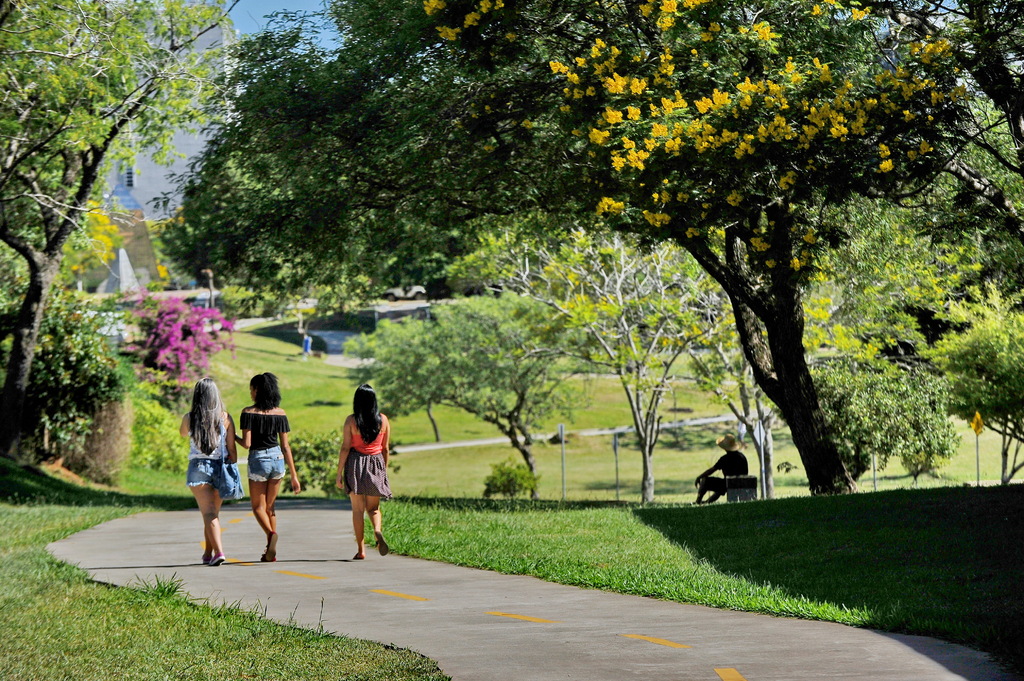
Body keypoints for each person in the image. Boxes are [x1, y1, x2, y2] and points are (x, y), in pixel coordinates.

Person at [238, 373, 301, 562]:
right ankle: (269, 552)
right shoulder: (280, 413)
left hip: (258, 459)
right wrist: (294, 476)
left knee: (258, 507)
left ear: (257, 390)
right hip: (277, 459)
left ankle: (271, 534)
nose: (250, 392)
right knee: (270, 507)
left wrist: (230, 435)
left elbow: (247, 444)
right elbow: (286, 446)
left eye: (252, 389)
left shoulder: (248, 412)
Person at [180, 377, 237, 566]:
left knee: (208, 513)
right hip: (220, 468)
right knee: (213, 513)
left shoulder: (189, 418)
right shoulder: (225, 418)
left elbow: (182, 433)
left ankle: (218, 552)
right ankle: (207, 552)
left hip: (198, 468)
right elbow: (232, 450)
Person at [335, 383, 392, 560]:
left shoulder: (351, 421)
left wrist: (339, 474)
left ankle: (361, 550)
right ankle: (377, 530)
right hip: (376, 463)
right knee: (374, 508)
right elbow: (386, 449)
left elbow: (345, 448)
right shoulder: (383, 420)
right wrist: (383, 471)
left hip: (355, 464)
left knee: (358, 510)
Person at [695, 433, 749, 504]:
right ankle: (707, 502)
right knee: (722, 486)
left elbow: (712, 470)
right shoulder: (742, 457)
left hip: (728, 484)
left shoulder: (725, 459)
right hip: (740, 483)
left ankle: (698, 502)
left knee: (706, 481)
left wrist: (700, 477)